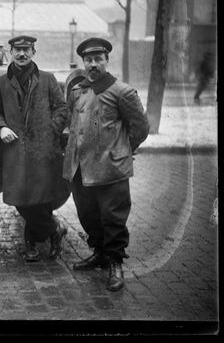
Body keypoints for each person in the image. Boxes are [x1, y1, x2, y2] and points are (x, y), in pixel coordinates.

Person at [63, 37, 149, 292]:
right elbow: (73, 123)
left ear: (106, 61)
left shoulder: (122, 91)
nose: (93, 64)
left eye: (98, 59)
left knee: (113, 216)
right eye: (88, 60)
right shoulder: (77, 91)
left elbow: (141, 128)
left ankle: (115, 263)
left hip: (110, 168)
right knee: (88, 213)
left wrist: (122, 151)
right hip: (81, 167)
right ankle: (99, 252)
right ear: (83, 63)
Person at [0, 35, 69, 262]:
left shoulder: (47, 79)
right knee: (20, 200)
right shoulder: (0, 83)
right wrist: (1, 127)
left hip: (43, 150)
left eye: (26, 50)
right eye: (17, 50)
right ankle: (54, 230)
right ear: (11, 52)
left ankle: (31, 242)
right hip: (14, 150)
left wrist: (49, 130)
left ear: (34, 52)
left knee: (40, 198)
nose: (22, 54)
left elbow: (62, 109)